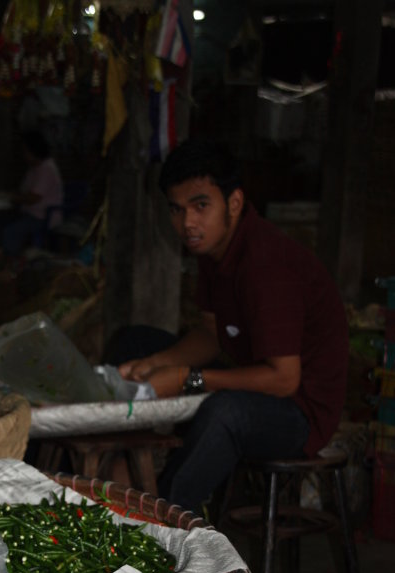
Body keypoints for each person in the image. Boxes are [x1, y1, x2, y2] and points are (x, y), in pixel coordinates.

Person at [114, 139, 349, 513]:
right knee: (133, 342)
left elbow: (284, 380)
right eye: (177, 210)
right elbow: (211, 334)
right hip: (252, 382)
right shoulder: (214, 249)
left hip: (298, 412)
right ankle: (115, 477)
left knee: (225, 413)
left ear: (234, 203)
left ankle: (154, 526)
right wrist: (156, 363)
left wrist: (185, 378)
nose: (187, 223)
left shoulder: (266, 265)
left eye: (200, 206)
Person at [1, 129, 64, 257]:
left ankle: (11, 260)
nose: (24, 155)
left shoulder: (47, 168)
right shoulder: (33, 169)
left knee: (11, 232)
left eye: (26, 151)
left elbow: (33, 197)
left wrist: (12, 198)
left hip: (42, 217)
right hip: (29, 213)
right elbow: (24, 191)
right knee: (2, 221)